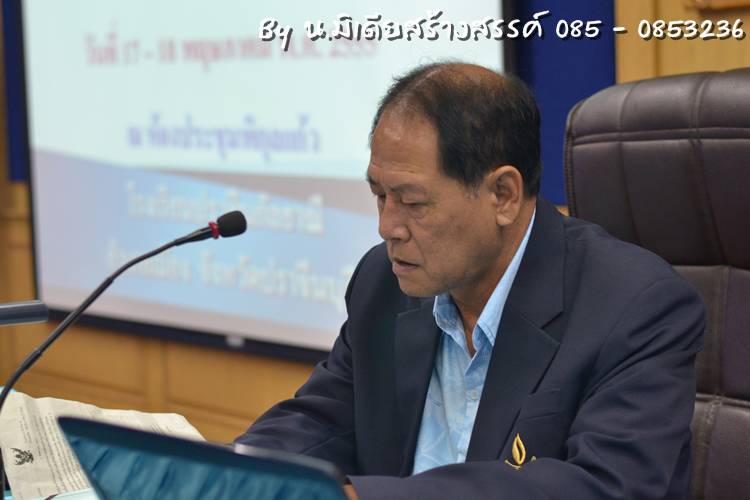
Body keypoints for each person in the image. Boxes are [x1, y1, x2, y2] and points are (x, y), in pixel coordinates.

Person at [235, 62, 705, 500]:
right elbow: (321, 420)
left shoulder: (637, 307)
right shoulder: (382, 282)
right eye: (380, 195)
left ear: (503, 195)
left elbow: (599, 486)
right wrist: (229, 474)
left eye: (413, 203)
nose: (387, 227)